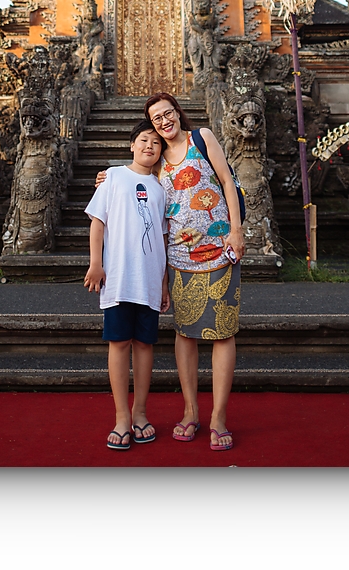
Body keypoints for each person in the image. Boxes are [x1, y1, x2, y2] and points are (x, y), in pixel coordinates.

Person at [94, 92, 245, 451]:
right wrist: (107, 177)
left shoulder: (201, 138)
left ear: (178, 112)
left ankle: (219, 417)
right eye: (156, 118)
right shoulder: (157, 160)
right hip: (178, 256)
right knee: (185, 333)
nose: (164, 121)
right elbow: (134, 177)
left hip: (220, 248)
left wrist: (237, 230)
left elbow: (227, 181)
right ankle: (191, 411)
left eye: (168, 113)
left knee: (223, 333)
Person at [84, 120, 170, 451]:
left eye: (156, 143)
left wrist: (163, 283)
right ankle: (121, 417)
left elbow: (164, 239)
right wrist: (96, 263)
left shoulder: (162, 189)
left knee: (145, 346)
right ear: (132, 145)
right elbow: (98, 222)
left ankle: (140, 413)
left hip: (149, 280)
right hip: (120, 278)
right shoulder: (113, 177)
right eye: (144, 140)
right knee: (119, 344)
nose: (150, 146)